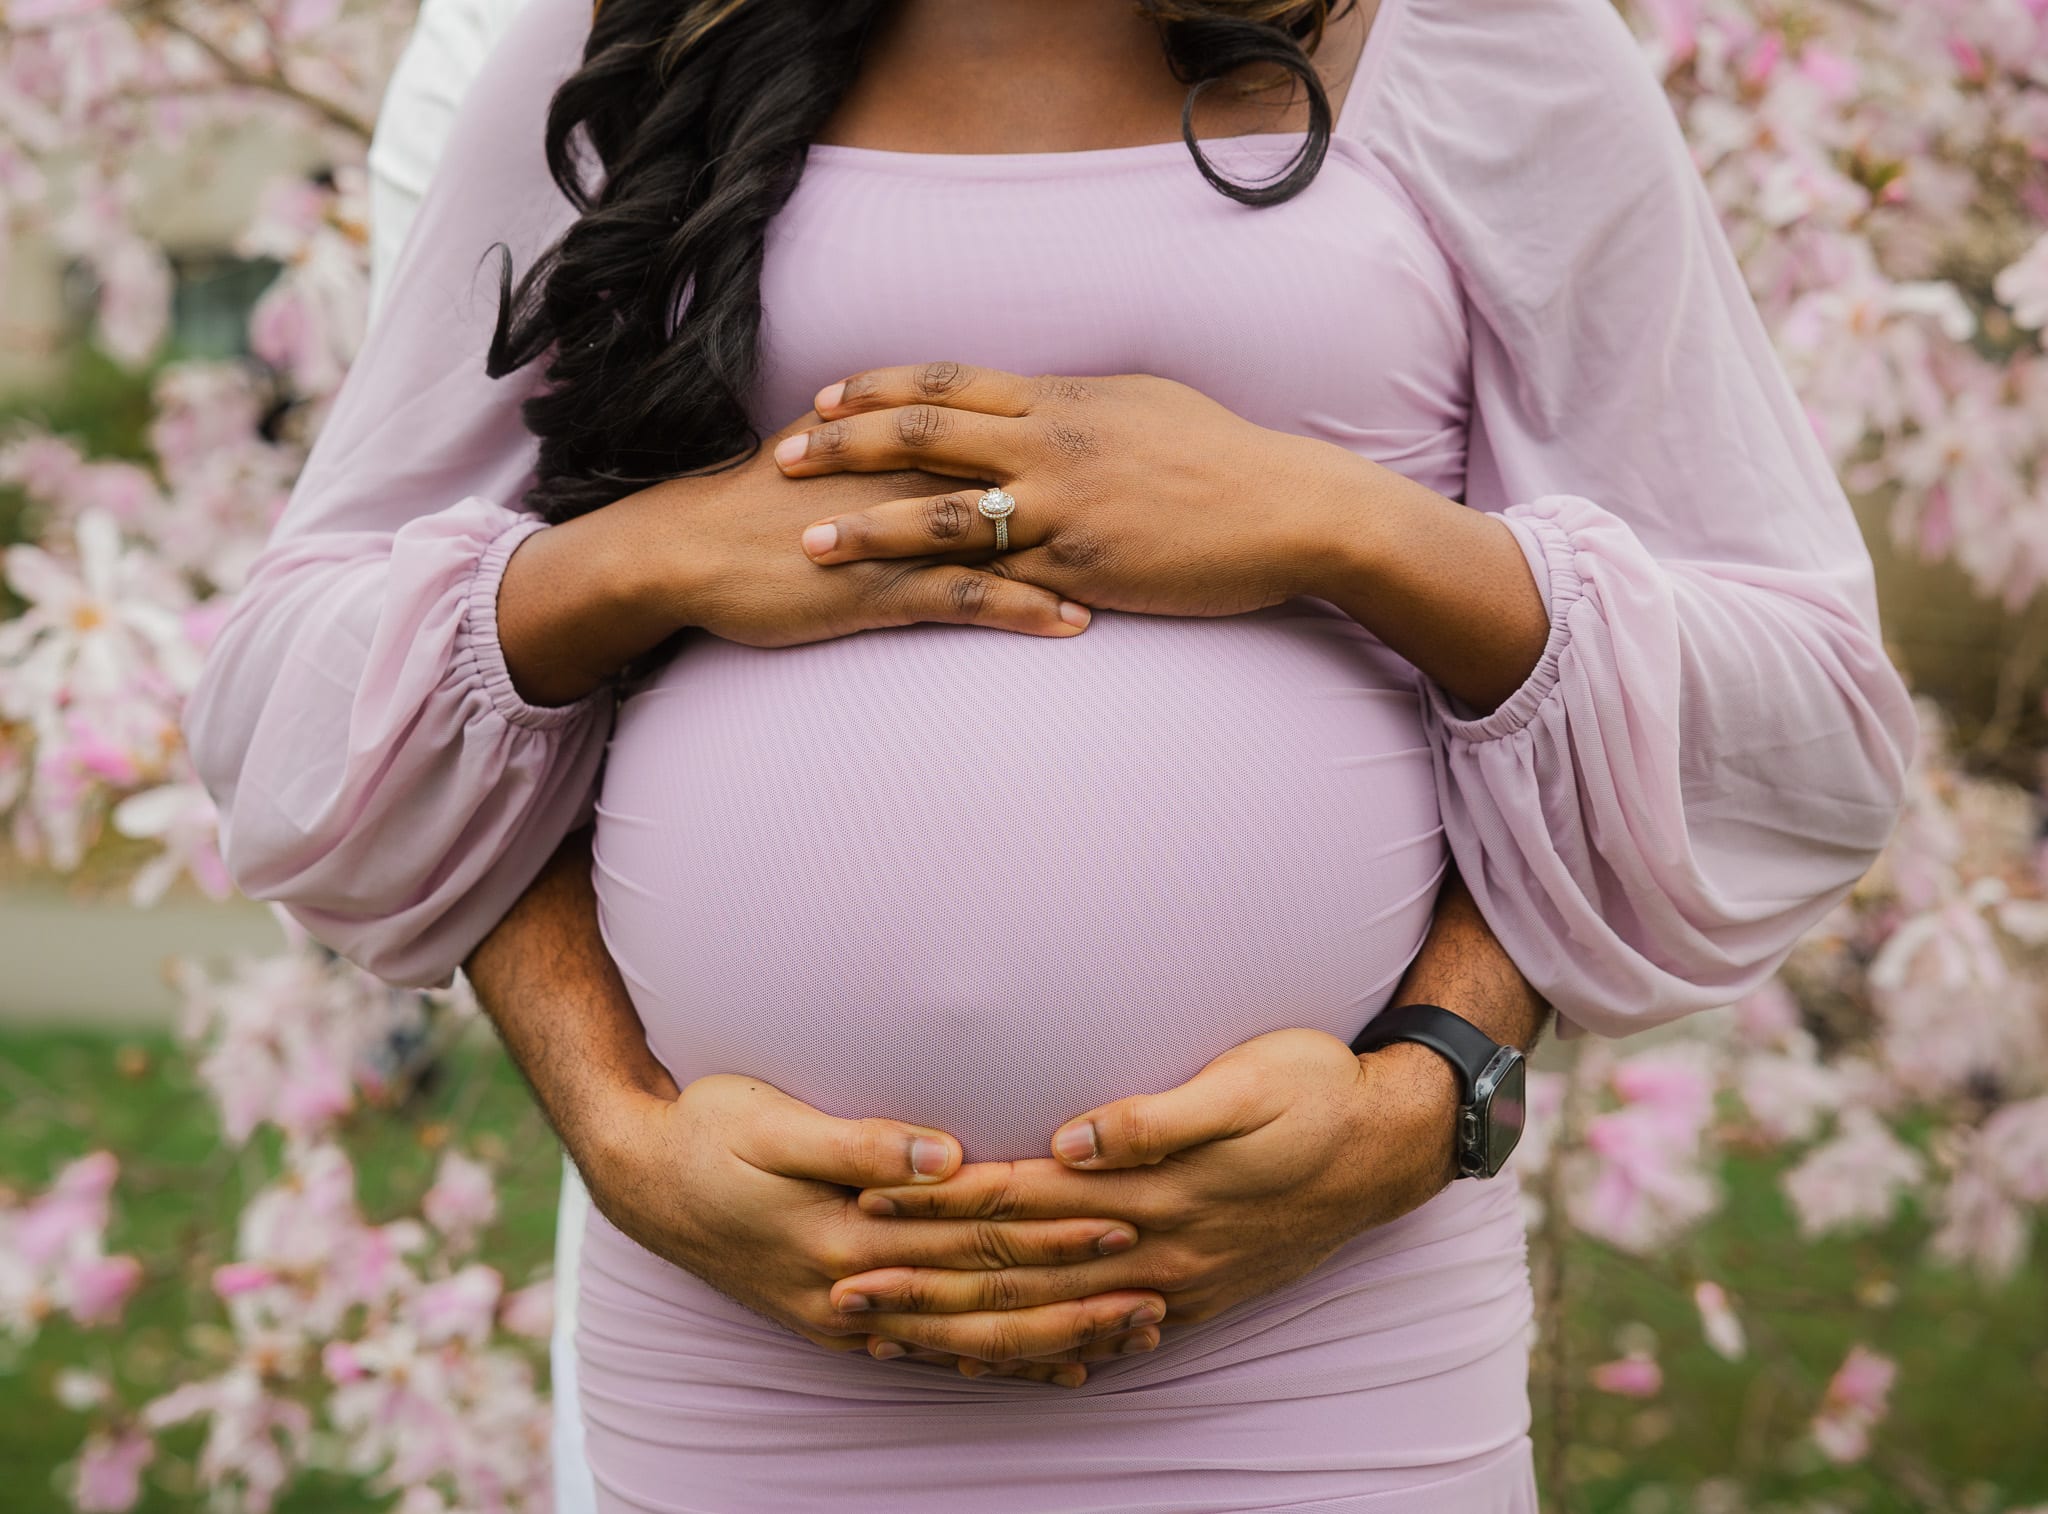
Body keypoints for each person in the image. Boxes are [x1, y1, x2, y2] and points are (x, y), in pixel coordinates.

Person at [185, 0, 1917, 1507]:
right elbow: (306, 697)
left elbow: (1800, 715)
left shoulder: (1480, 39)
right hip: (754, 1349)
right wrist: (643, 566)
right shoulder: (635, 40)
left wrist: (1337, 529)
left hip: (1317, 1354)